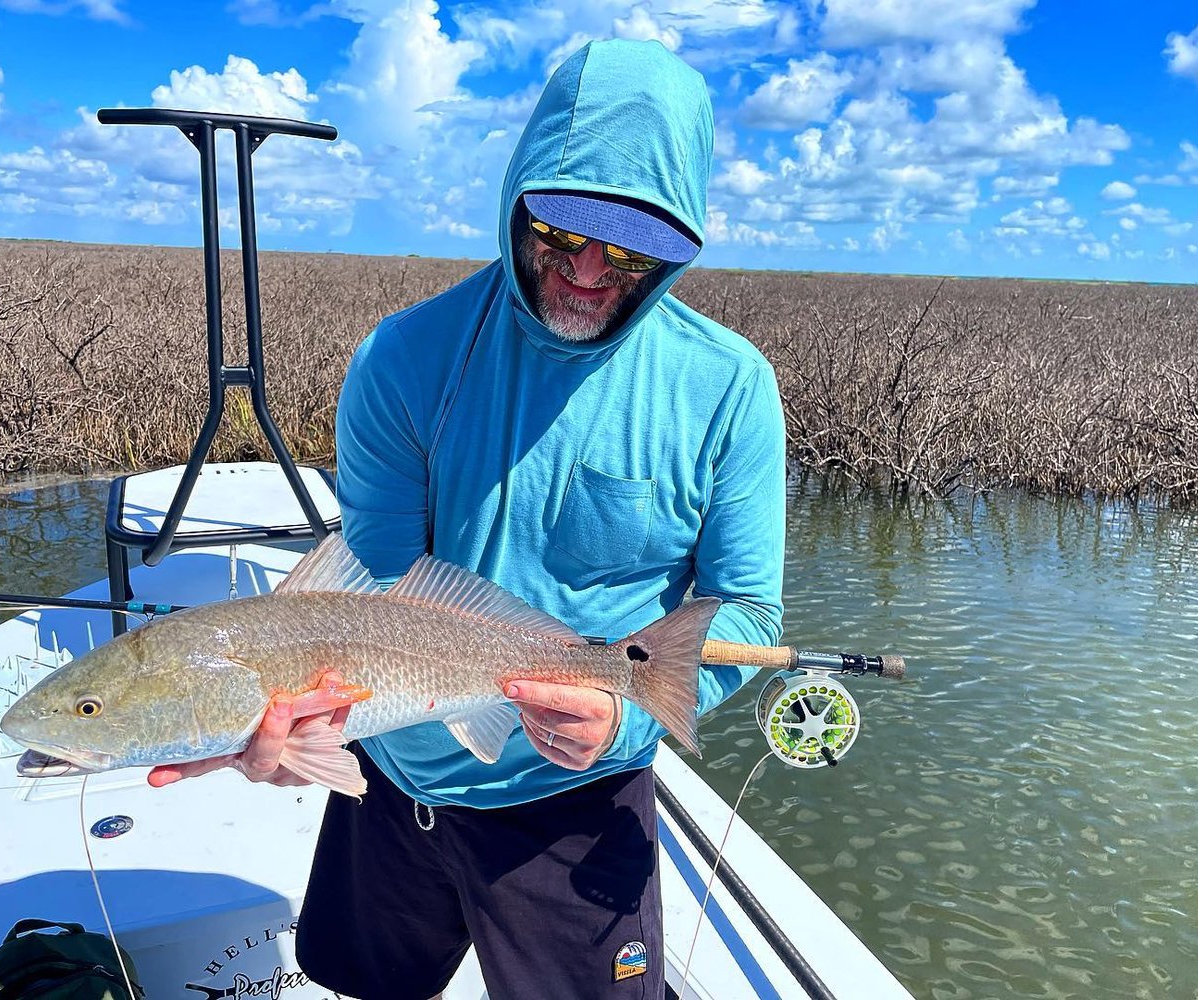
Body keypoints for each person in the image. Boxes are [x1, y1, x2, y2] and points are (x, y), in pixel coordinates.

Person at [152, 37, 785, 1000]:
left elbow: (744, 614)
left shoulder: (729, 388)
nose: (584, 270)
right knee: (357, 982)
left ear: (680, 244)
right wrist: (296, 730)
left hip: (575, 800)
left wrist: (618, 720)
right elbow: (372, 594)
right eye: (559, 229)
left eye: (629, 248)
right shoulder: (403, 358)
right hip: (392, 776)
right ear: (515, 200)